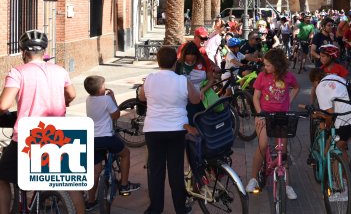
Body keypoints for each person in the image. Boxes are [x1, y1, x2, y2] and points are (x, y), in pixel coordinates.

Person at [0, 30, 84, 214]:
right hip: (59, 134)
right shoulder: (60, 70)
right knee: (68, 181)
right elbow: (72, 94)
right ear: (44, 51)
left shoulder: (17, 72)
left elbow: (4, 104)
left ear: (23, 52)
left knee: (2, 178)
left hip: (29, 136)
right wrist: (63, 102)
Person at [139, 46, 203, 214]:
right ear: (176, 62)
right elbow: (196, 100)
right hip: (176, 130)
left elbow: (141, 97)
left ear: (157, 61)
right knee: (176, 171)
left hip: (153, 130)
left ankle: (155, 208)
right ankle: (180, 208)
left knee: (156, 171)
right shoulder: (182, 80)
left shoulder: (150, 79)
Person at [246, 49, 300, 199]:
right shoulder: (262, 76)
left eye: (269, 65)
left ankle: (287, 184)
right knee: (263, 145)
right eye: (265, 65)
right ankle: (254, 178)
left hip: (282, 117)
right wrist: (260, 114)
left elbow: (296, 87)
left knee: (282, 149)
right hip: (264, 115)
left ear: (277, 65)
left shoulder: (288, 76)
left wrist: (289, 102)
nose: (266, 68)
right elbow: (256, 97)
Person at [84, 76, 140, 210]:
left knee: (95, 170)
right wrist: (113, 98)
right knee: (125, 153)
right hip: (107, 137)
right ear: (99, 90)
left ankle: (91, 201)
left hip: (92, 138)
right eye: (104, 85)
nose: (105, 87)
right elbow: (116, 115)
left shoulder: (88, 99)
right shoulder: (106, 99)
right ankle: (125, 184)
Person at [308, 68, 351, 168]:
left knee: (333, 148)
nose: (313, 86)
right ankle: (344, 175)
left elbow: (329, 113)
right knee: (340, 144)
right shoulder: (336, 78)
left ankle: (338, 180)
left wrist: (326, 126)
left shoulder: (320, 87)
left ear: (315, 81)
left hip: (346, 119)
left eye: (313, 84)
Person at [175, 42, 219, 124]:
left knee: (205, 121)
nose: (191, 62)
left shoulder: (203, 60)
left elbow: (211, 79)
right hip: (186, 99)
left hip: (203, 97)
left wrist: (203, 90)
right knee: (190, 121)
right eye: (188, 60)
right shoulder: (179, 64)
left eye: (193, 60)